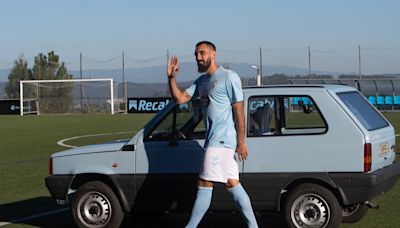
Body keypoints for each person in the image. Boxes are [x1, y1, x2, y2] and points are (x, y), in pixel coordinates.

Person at [167, 41, 258, 228]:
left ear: (213, 55)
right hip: (215, 142)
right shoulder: (201, 81)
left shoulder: (228, 77)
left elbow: (239, 111)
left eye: (202, 53)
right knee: (233, 185)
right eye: (196, 54)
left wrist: (241, 142)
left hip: (221, 140)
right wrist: (171, 78)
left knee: (204, 182)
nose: (198, 57)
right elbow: (180, 98)